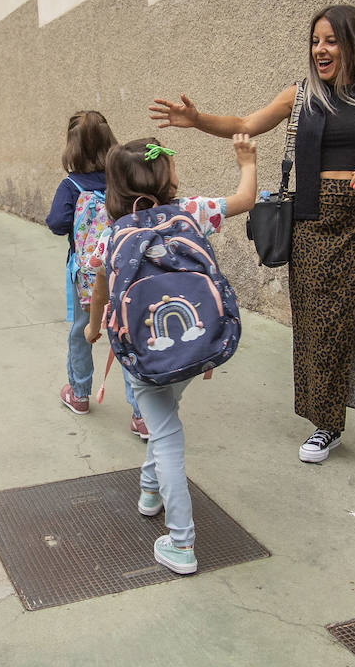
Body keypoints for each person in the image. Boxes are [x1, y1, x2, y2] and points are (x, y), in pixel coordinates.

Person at [150, 4, 355, 472]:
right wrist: (199, 120)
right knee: (320, 327)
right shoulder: (300, 95)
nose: (320, 50)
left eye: (331, 41)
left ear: (353, 45)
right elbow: (246, 123)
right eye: (315, 41)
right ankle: (327, 424)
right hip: (314, 226)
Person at [83, 135, 258, 575]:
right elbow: (246, 198)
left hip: (144, 354)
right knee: (164, 426)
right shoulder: (192, 213)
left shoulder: (112, 235)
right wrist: (246, 160)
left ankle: (181, 544)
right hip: (195, 344)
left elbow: (100, 287)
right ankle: (149, 491)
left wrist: (91, 327)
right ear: (164, 177)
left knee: (166, 436)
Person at [44, 111, 151, 435]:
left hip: (88, 277)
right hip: (128, 271)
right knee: (130, 335)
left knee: (82, 331)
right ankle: (143, 416)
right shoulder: (122, 178)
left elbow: (57, 223)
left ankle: (79, 394)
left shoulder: (71, 185)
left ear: (72, 148)